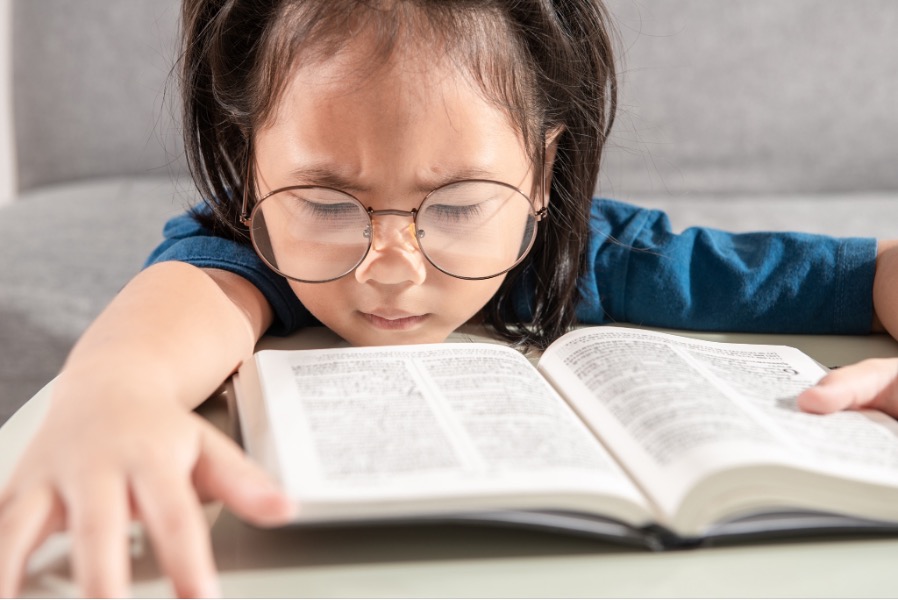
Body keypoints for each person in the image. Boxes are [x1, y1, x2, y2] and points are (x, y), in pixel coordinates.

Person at [1, 0, 897, 596]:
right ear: (247, 175)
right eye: (324, 202)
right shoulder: (255, 246)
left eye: (461, 204)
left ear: (543, 175)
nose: (391, 266)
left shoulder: (604, 254)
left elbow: (858, 273)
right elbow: (177, 303)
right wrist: (110, 396)